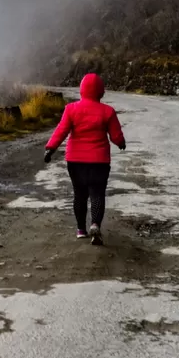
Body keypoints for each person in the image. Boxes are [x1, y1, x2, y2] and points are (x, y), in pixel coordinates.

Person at [43, 73, 126, 245]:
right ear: (101, 91)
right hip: (99, 162)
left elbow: (61, 130)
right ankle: (95, 224)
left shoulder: (71, 109)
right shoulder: (108, 111)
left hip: (75, 161)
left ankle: (81, 229)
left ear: (81, 90)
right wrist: (121, 143)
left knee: (79, 195)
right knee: (97, 194)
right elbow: (116, 135)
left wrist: (50, 148)